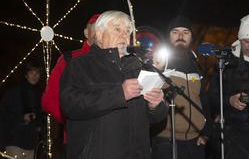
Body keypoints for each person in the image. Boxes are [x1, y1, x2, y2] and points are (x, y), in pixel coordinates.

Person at [59, 10, 168, 159]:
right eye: (117, 29)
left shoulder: (138, 68)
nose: (124, 35)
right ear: (99, 34)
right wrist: (119, 94)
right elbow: (70, 105)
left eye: (128, 31)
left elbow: (153, 120)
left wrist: (155, 106)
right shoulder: (80, 65)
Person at [208, 14, 249, 159]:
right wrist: (229, 101)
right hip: (235, 138)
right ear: (239, 40)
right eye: (247, 42)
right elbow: (212, 97)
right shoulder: (225, 64)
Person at [151, 16, 210, 159]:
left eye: (186, 32)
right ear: (168, 36)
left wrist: (206, 134)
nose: (181, 36)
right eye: (175, 32)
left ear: (191, 37)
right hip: (166, 143)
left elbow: (204, 101)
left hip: (194, 143)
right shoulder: (160, 62)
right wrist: (155, 71)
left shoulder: (196, 65)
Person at [41, 14, 100, 147]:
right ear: (86, 32)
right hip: (80, 140)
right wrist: (73, 122)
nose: (99, 33)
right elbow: (49, 100)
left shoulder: (118, 61)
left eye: (103, 28)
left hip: (113, 141)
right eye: (95, 28)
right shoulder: (70, 59)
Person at [0, 62, 43, 159]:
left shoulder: (39, 94)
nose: (35, 76)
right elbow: (3, 115)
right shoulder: (13, 93)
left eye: (37, 73)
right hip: (14, 140)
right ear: (26, 74)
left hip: (30, 143)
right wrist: (22, 118)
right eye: (32, 72)